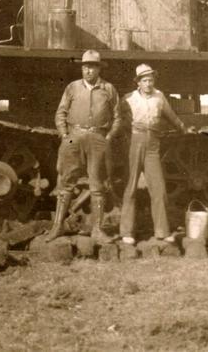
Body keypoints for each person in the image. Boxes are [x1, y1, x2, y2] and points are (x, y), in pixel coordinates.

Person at [47, 49, 121, 242]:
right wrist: (65, 135)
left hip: (98, 137)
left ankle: (97, 230)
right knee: (66, 182)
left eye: (92, 67)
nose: (88, 71)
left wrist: (109, 137)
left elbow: (118, 117)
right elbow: (61, 113)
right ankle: (57, 227)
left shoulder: (108, 89)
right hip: (74, 136)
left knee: (98, 185)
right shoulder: (72, 88)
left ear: (98, 69)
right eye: (85, 67)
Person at [119, 63, 194, 245]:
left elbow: (171, 116)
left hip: (153, 144)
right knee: (130, 187)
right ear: (138, 83)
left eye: (151, 79)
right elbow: (118, 119)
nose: (148, 83)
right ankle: (126, 232)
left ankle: (162, 231)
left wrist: (184, 128)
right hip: (135, 142)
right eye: (144, 80)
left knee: (159, 188)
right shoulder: (128, 99)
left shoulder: (159, 97)